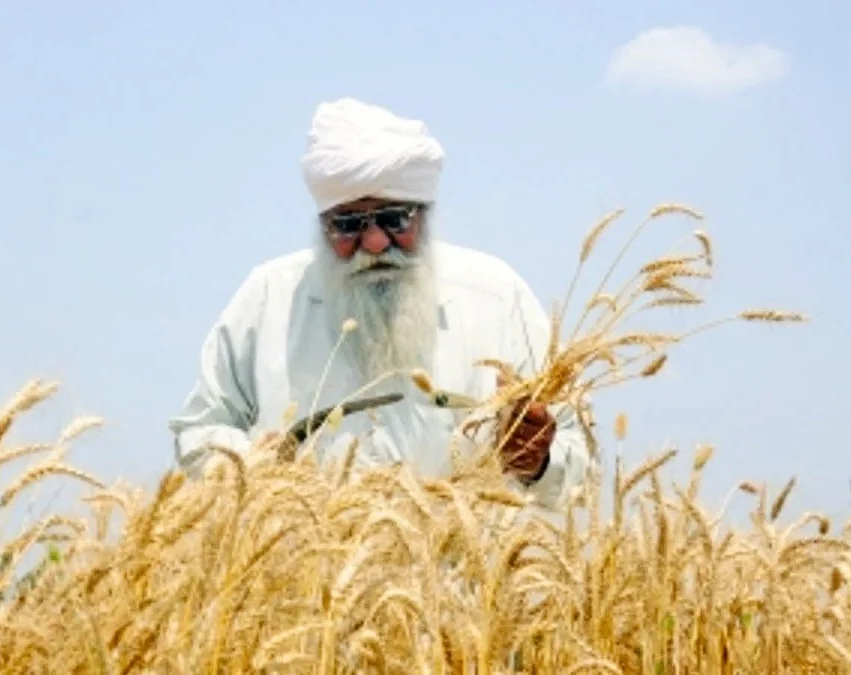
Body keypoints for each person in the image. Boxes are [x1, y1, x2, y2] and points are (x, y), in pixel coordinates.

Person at [169, 98, 592, 508]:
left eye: (395, 220)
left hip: (461, 576)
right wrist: (261, 469)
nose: (373, 243)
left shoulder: (498, 298)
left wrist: (539, 464)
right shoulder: (269, 298)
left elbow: (580, 457)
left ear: (425, 215)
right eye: (348, 225)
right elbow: (199, 429)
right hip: (304, 576)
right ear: (322, 227)